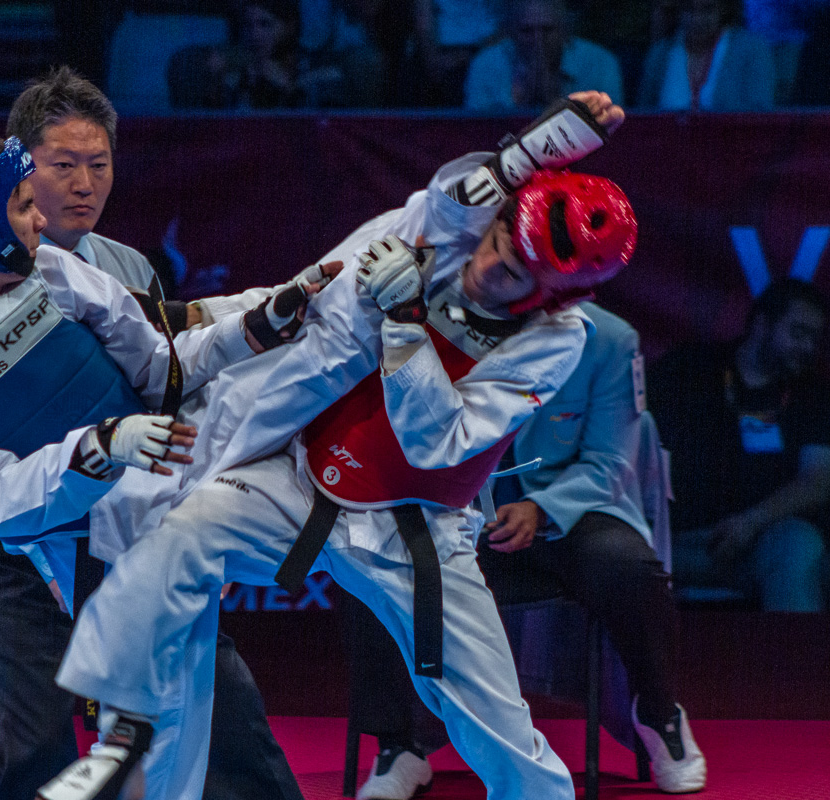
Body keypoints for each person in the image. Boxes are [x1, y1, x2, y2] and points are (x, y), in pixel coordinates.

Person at [43, 91, 636, 800]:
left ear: (554, 297)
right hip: (300, 477)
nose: (485, 268)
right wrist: (538, 147)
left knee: (494, 722)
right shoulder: (442, 230)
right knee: (170, 544)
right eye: (495, 244)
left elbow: (439, 441)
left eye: (511, 274)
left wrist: (407, 327)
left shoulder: (554, 343)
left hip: (415, 528)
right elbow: (457, 196)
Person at [0, 65, 305, 800]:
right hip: (15, 524)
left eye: (99, 164)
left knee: (216, 697)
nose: (85, 184)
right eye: (63, 165)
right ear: (19, 169)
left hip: (127, 513)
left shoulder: (127, 265)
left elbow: (167, 375)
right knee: (38, 730)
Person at [345, 302, 706, 798]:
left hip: (569, 513)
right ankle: (398, 744)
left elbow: (609, 463)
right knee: (373, 561)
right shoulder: (443, 325)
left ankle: (659, 713)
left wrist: (540, 508)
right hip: (460, 511)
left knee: (628, 568)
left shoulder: (611, 340)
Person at [651, 278, 830, 612]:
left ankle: (792, 648)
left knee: (799, 546)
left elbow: (819, 480)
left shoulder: (811, 396)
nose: (808, 348)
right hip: (679, 542)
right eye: (799, 333)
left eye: (815, 339)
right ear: (762, 324)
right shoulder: (689, 369)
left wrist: (751, 522)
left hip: (759, 542)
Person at [167, 0, 381, 109]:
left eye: (265, 25)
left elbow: (327, 129)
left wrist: (288, 88)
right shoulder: (234, 74)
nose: (255, 35)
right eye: (248, 26)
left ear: (289, 27)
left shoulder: (321, 72)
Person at [464, 0, 623, 110]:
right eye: (527, 31)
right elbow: (477, 128)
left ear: (564, 30)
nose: (537, 40)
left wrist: (555, 99)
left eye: (547, 30)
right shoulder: (485, 64)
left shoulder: (601, 62)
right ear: (511, 32)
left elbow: (613, 125)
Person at [637, 0, 775, 110]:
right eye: (689, 9)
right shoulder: (660, 55)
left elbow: (760, 114)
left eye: (707, 9)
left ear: (723, 9)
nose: (697, 19)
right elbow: (645, 115)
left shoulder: (752, 51)